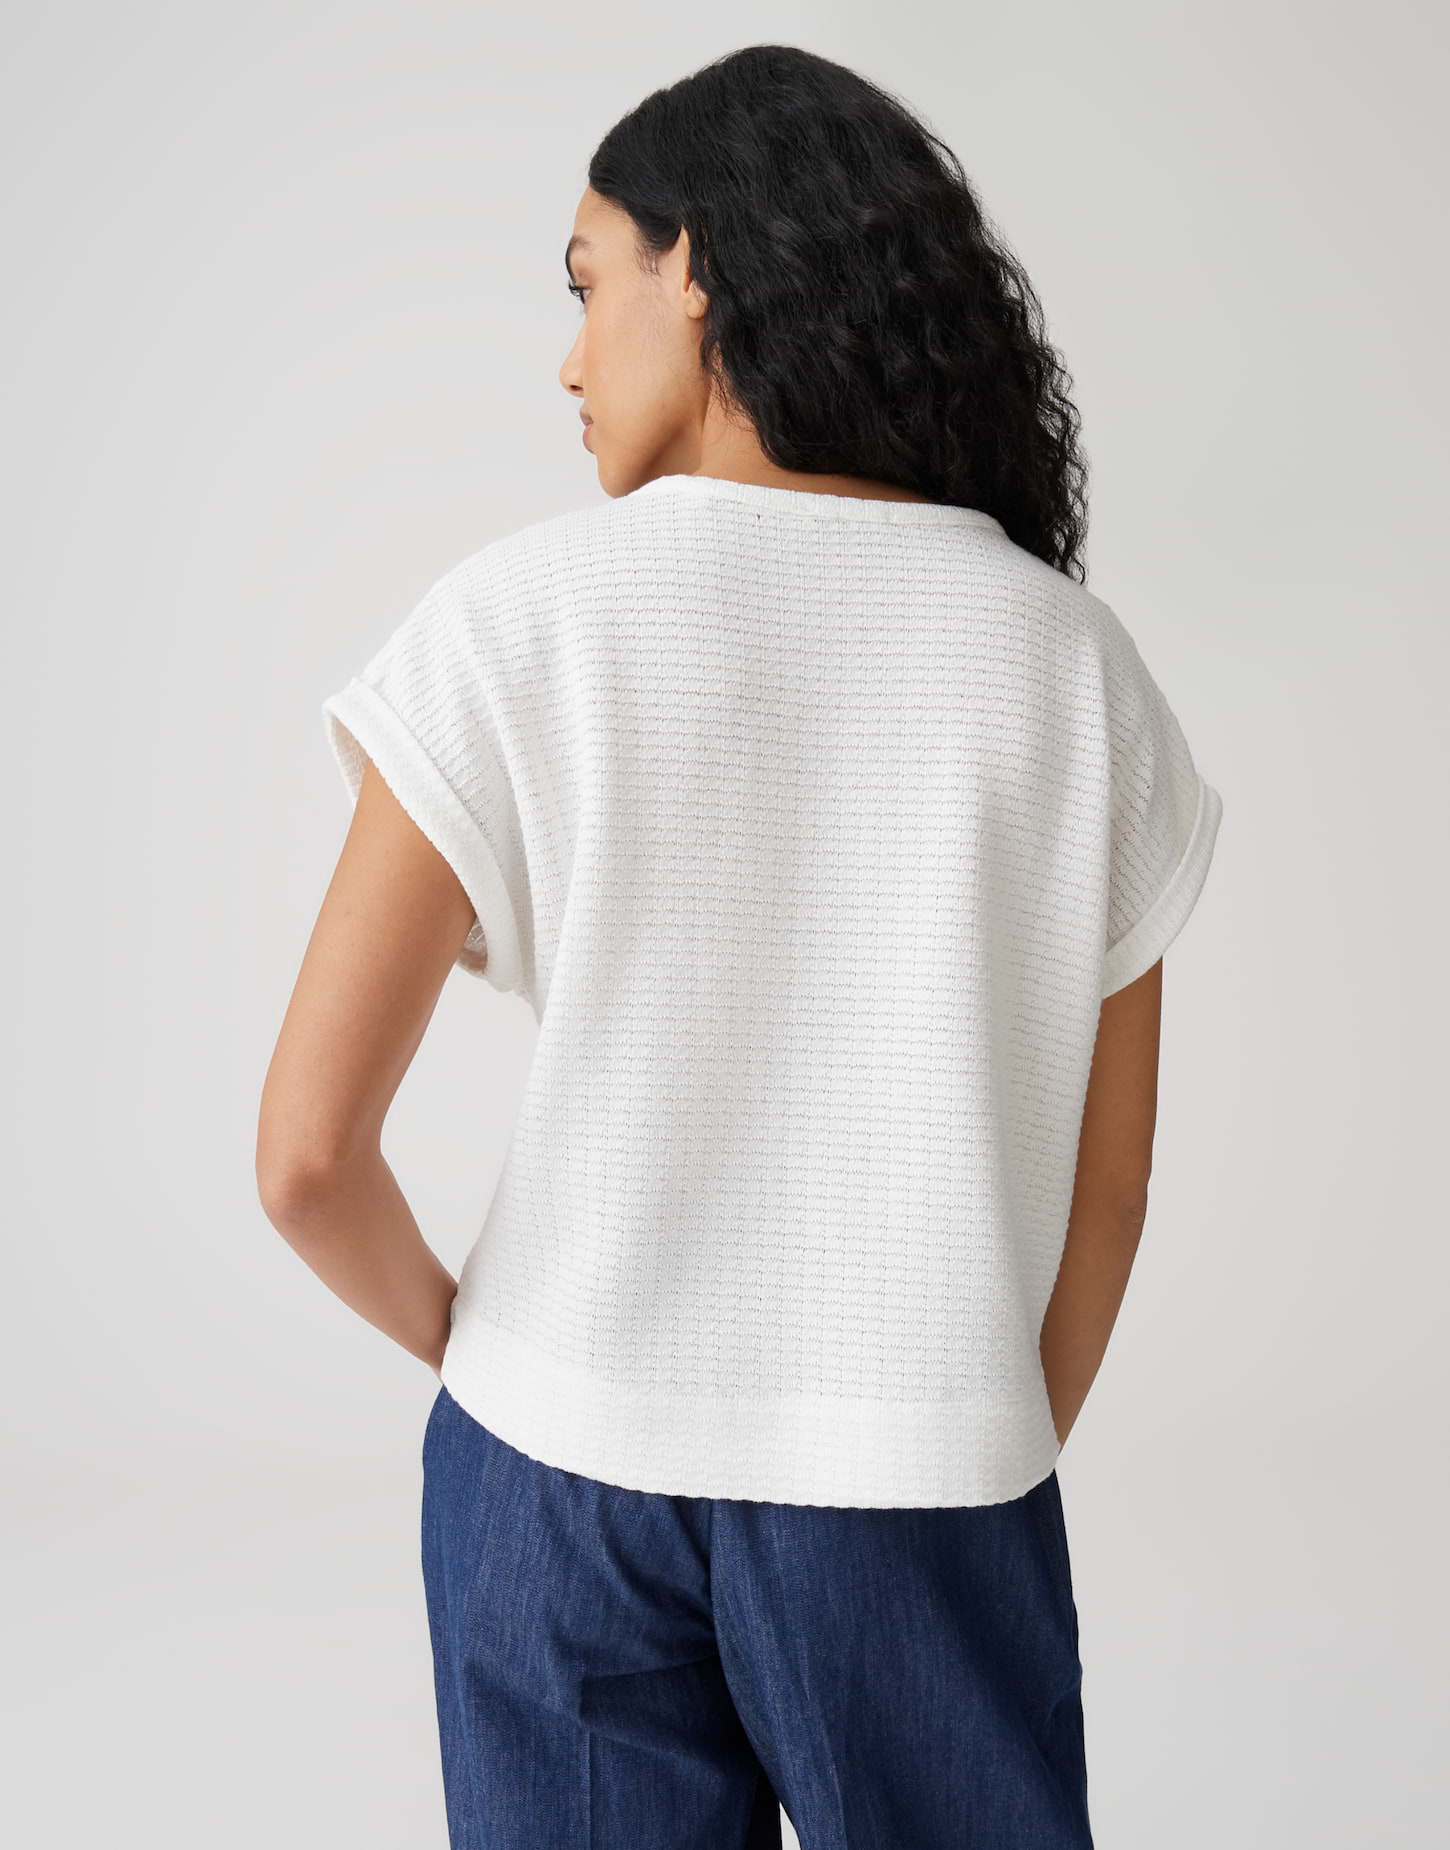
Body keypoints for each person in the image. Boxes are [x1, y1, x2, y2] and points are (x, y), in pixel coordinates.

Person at [257, 42, 1223, 1850]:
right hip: (921, 1481)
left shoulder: (511, 622)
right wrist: (969, 1438)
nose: (565, 358)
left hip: (552, 1480)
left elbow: (307, 1155)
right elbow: (1109, 1187)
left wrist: (501, 1361)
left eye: (583, 284)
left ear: (694, 267)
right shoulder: (1072, 669)